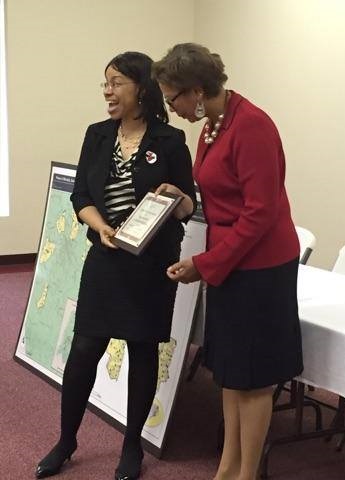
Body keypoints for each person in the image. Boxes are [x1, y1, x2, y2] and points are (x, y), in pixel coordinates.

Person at [35, 51, 196, 480]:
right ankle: (66, 440)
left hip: (151, 265)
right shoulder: (97, 135)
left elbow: (188, 205)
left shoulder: (170, 141)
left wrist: (177, 196)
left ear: (140, 88)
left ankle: (131, 447)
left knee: (143, 351)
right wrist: (102, 227)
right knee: (85, 349)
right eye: (104, 82)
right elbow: (80, 197)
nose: (107, 90)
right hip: (105, 258)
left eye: (116, 82)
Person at [153, 43, 303, 480]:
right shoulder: (213, 125)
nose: (171, 107)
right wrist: (182, 200)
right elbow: (220, 198)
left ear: (196, 90)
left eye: (173, 98)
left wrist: (205, 263)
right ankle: (226, 469)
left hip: (261, 268)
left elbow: (259, 214)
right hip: (230, 263)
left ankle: (245, 472)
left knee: (254, 378)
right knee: (231, 372)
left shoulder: (252, 125)